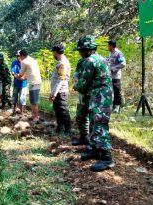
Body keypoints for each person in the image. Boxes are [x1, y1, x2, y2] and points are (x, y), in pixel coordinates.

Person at [73, 35, 115, 172]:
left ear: (87, 49)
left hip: (100, 96)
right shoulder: (101, 58)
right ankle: (95, 150)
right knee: (93, 122)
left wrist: (76, 86)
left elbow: (83, 83)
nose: (79, 52)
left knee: (99, 124)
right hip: (100, 95)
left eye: (81, 50)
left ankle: (107, 158)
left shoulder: (91, 61)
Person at [50, 45, 72, 137]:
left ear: (56, 52)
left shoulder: (62, 63)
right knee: (58, 110)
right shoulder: (60, 62)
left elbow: (60, 80)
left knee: (63, 110)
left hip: (61, 91)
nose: (52, 54)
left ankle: (68, 130)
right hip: (57, 91)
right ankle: (59, 127)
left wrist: (54, 93)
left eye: (53, 52)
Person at [16, 50, 42, 123]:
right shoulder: (31, 59)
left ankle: (36, 117)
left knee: (34, 101)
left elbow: (21, 74)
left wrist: (17, 76)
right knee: (32, 100)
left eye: (19, 56)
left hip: (34, 82)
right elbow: (29, 72)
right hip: (36, 81)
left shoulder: (24, 62)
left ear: (22, 56)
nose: (19, 58)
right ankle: (34, 115)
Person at [71, 58, 90, 146]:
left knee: (93, 118)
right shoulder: (81, 61)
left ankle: (93, 142)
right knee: (80, 115)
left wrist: (78, 85)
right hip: (82, 92)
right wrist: (76, 80)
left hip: (94, 94)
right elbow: (77, 72)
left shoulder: (96, 61)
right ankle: (84, 137)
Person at [107, 39, 126, 113]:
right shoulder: (110, 53)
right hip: (109, 76)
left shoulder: (118, 53)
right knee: (110, 91)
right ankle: (112, 105)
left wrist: (114, 69)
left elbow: (123, 64)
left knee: (117, 91)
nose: (107, 47)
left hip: (116, 76)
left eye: (108, 46)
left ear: (111, 46)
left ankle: (117, 107)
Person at [11, 50, 27, 115]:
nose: (18, 57)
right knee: (14, 97)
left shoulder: (25, 63)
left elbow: (26, 74)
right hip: (16, 83)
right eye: (17, 56)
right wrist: (17, 76)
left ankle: (22, 112)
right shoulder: (14, 63)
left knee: (22, 98)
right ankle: (14, 111)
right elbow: (12, 72)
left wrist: (20, 77)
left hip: (23, 84)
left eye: (19, 56)